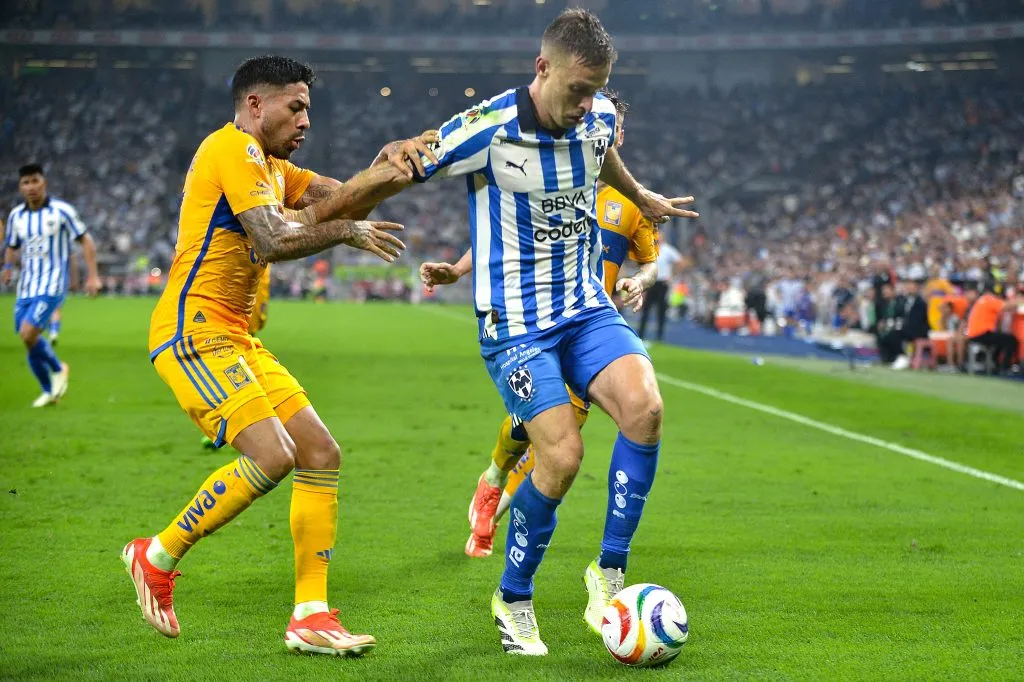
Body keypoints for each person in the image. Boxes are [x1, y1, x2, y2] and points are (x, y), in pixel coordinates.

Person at [121, 55, 436, 655]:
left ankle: (310, 615)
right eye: (297, 107)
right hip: (192, 333)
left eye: (309, 108)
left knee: (320, 451)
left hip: (234, 335)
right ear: (255, 105)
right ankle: (155, 555)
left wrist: (393, 165)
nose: (306, 120)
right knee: (273, 455)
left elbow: (343, 200)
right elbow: (275, 236)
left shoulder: (271, 165)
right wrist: (344, 230)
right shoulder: (231, 149)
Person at [408, 9, 698, 655]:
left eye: (598, 96)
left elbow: (615, 174)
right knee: (560, 456)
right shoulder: (503, 135)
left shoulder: (596, 142)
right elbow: (460, 201)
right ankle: (513, 596)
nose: (590, 108)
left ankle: (610, 568)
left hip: (587, 312)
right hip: (518, 326)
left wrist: (644, 213)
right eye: (581, 90)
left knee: (645, 410)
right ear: (546, 69)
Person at [419, 91, 659, 567]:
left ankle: (496, 510)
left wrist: (639, 280)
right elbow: (502, 237)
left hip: (590, 326)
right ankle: (492, 480)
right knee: (542, 436)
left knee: (560, 446)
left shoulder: (630, 201)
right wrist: (460, 271)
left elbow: (651, 260)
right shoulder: (553, 170)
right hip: (532, 323)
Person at [2, 163, 100, 407]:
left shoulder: (61, 211)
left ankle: (57, 368)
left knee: (28, 333)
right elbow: (12, 246)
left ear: (43, 183)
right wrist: (7, 267)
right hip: (26, 287)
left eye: (35, 181)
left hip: (53, 283)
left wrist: (93, 276)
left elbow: (86, 241)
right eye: (26, 182)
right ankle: (49, 391)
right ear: (20, 187)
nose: (31, 187)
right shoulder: (16, 216)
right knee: (27, 339)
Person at [965, 284, 1019, 374]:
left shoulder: (982, 300)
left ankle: (995, 365)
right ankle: (1005, 368)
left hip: (975, 334)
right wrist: (1019, 301)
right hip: (981, 334)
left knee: (1001, 340)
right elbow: (1006, 306)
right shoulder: (989, 299)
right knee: (1011, 340)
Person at [637, 235, 681, 344]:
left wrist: (672, 275)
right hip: (651, 281)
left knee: (661, 310)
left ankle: (659, 336)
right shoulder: (650, 248)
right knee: (646, 309)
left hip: (662, 282)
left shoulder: (668, 250)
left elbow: (680, 261)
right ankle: (640, 334)